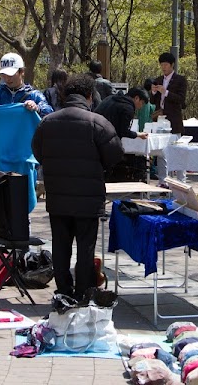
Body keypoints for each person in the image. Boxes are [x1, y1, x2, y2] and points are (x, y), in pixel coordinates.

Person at [31, 73, 124, 301]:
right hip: (88, 198)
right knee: (85, 247)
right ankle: (83, 292)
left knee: (61, 246)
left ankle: (63, 290)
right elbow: (115, 154)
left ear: (64, 95)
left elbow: (38, 152)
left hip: (58, 196)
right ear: (89, 96)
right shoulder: (98, 123)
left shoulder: (47, 122)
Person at [150, 52, 187, 134]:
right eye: (162, 65)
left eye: (166, 65)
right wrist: (153, 92)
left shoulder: (180, 80)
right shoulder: (158, 80)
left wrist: (166, 92)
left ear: (172, 64)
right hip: (159, 117)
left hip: (173, 118)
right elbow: (152, 101)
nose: (163, 67)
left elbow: (181, 99)